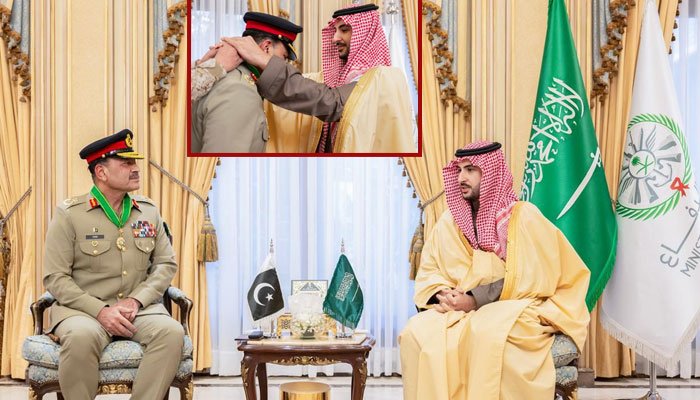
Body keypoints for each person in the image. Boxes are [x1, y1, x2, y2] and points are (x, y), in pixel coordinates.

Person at [398, 141, 591, 399]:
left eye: (470, 170)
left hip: (515, 303)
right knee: (414, 333)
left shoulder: (523, 217)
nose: (461, 177)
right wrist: (444, 295)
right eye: (459, 170)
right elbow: (431, 268)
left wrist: (473, 299)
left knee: (486, 334)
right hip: (457, 310)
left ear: (490, 173)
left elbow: (530, 278)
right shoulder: (450, 221)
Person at [43, 129, 184, 399]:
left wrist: (136, 300)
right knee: (80, 337)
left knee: (171, 332)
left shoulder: (148, 210)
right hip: (83, 311)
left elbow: (165, 264)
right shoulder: (69, 214)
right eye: (126, 163)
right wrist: (100, 311)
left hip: (138, 310)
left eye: (135, 162)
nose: (136, 169)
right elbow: (55, 277)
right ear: (101, 172)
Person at [199, 4, 415, 153]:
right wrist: (213, 67)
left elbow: (331, 101)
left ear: (365, 33)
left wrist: (262, 60)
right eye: (335, 30)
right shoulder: (237, 87)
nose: (335, 38)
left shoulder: (384, 79)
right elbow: (308, 87)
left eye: (344, 30)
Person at [191, 12, 302, 153]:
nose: (285, 64)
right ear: (266, 47)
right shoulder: (238, 90)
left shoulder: (231, 76)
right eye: (284, 57)